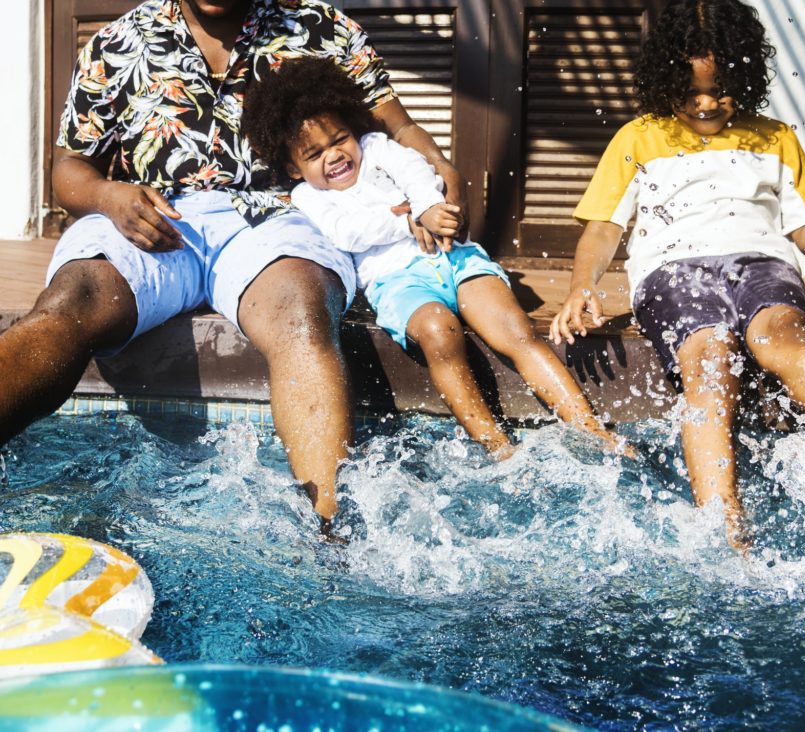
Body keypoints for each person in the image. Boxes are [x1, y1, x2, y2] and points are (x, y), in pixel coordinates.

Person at [0, 0, 465, 530]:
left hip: (279, 216)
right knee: (72, 301)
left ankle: (331, 535)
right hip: (150, 216)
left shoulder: (319, 26)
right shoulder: (116, 43)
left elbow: (399, 128)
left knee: (301, 314)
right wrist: (108, 197)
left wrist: (441, 166)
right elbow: (69, 168)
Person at [548, 0, 805, 547]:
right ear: (664, 81)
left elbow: (803, 235)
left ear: (747, 78)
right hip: (672, 271)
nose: (707, 103)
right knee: (709, 358)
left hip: (761, 263)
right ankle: (725, 519)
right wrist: (580, 287)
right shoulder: (638, 138)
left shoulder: (775, 137)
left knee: (781, 335)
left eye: (721, 89)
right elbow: (602, 229)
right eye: (691, 92)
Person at [242, 57, 629, 459]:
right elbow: (346, 231)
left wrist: (427, 206)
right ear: (293, 165)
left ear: (354, 130)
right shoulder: (308, 196)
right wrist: (407, 222)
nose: (334, 155)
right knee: (438, 331)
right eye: (315, 153)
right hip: (396, 282)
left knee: (515, 328)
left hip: (453, 258)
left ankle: (594, 431)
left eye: (339, 139)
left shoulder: (377, 147)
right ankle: (498, 447)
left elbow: (416, 171)